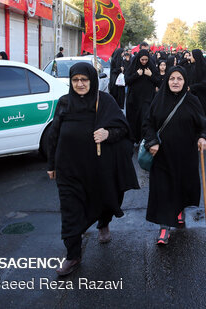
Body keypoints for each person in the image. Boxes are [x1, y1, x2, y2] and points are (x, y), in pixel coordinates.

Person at [46, 62, 139, 276]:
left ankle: (103, 223)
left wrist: (107, 134)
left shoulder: (104, 101)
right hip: (68, 170)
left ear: (92, 81)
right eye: (75, 80)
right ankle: (73, 255)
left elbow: (124, 130)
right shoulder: (64, 103)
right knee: (70, 212)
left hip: (98, 169)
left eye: (84, 80)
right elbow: (54, 135)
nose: (80, 84)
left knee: (103, 200)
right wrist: (51, 165)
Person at [142, 66, 206, 245]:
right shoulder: (159, 99)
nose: (175, 82)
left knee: (182, 186)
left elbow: (203, 124)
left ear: (185, 81)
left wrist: (203, 137)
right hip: (162, 155)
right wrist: (151, 142)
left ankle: (179, 209)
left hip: (186, 155)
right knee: (163, 190)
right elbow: (148, 124)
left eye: (179, 78)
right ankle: (164, 228)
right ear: (167, 80)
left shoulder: (192, 100)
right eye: (172, 78)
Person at [125, 49, 159, 143]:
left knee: (145, 119)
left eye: (146, 60)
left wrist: (150, 75)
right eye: (142, 60)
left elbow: (158, 82)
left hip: (147, 99)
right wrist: (136, 74)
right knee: (134, 120)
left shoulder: (151, 67)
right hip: (134, 100)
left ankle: (144, 140)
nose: (144, 62)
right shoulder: (133, 67)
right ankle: (134, 139)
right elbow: (127, 80)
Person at [181, 49, 206, 123]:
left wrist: (192, 87)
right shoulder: (191, 66)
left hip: (202, 97)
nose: (189, 57)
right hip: (192, 96)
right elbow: (179, 66)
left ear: (196, 57)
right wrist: (186, 59)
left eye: (191, 55)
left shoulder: (204, 68)